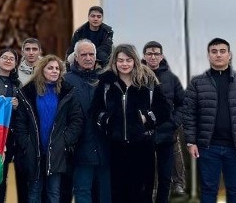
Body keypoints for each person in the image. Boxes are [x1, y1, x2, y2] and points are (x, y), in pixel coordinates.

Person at [183, 38, 236, 203]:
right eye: (214, 51)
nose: (218, 55)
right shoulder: (197, 83)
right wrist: (191, 141)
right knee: (209, 190)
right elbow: (189, 114)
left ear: (229, 55)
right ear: (209, 55)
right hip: (208, 147)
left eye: (222, 51)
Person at [97, 45, 169, 203]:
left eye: (128, 60)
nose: (124, 64)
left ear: (134, 61)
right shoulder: (106, 82)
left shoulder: (147, 80)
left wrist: (146, 119)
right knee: (119, 193)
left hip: (142, 145)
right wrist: (106, 120)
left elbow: (164, 109)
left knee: (142, 193)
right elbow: (95, 110)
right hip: (116, 146)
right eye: (120, 60)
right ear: (114, 61)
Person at [14, 56, 83, 203]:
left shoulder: (67, 92)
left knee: (54, 193)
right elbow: (20, 123)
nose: (54, 71)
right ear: (41, 70)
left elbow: (76, 121)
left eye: (57, 68)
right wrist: (26, 143)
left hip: (56, 151)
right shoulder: (28, 92)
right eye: (50, 68)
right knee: (34, 192)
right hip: (34, 150)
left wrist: (64, 141)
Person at [63, 40, 110, 203]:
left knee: (105, 193)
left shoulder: (105, 80)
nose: (88, 58)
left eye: (91, 54)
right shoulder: (65, 81)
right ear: (76, 57)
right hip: (79, 149)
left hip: (105, 148)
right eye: (84, 54)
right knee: (82, 192)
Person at [141, 43, 185, 203]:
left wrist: (174, 122)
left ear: (161, 56)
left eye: (156, 54)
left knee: (165, 177)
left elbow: (183, 103)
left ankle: (177, 184)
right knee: (146, 177)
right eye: (149, 53)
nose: (153, 56)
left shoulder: (171, 79)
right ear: (144, 56)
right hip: (143, 135)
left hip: (167, 134)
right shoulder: (137, 76)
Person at [0, 51, 20, 203]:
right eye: (5, 58)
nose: (8, 61)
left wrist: (17, 106)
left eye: (12, 59)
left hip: (10, 135)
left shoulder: (18, 84)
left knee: (4, 173)